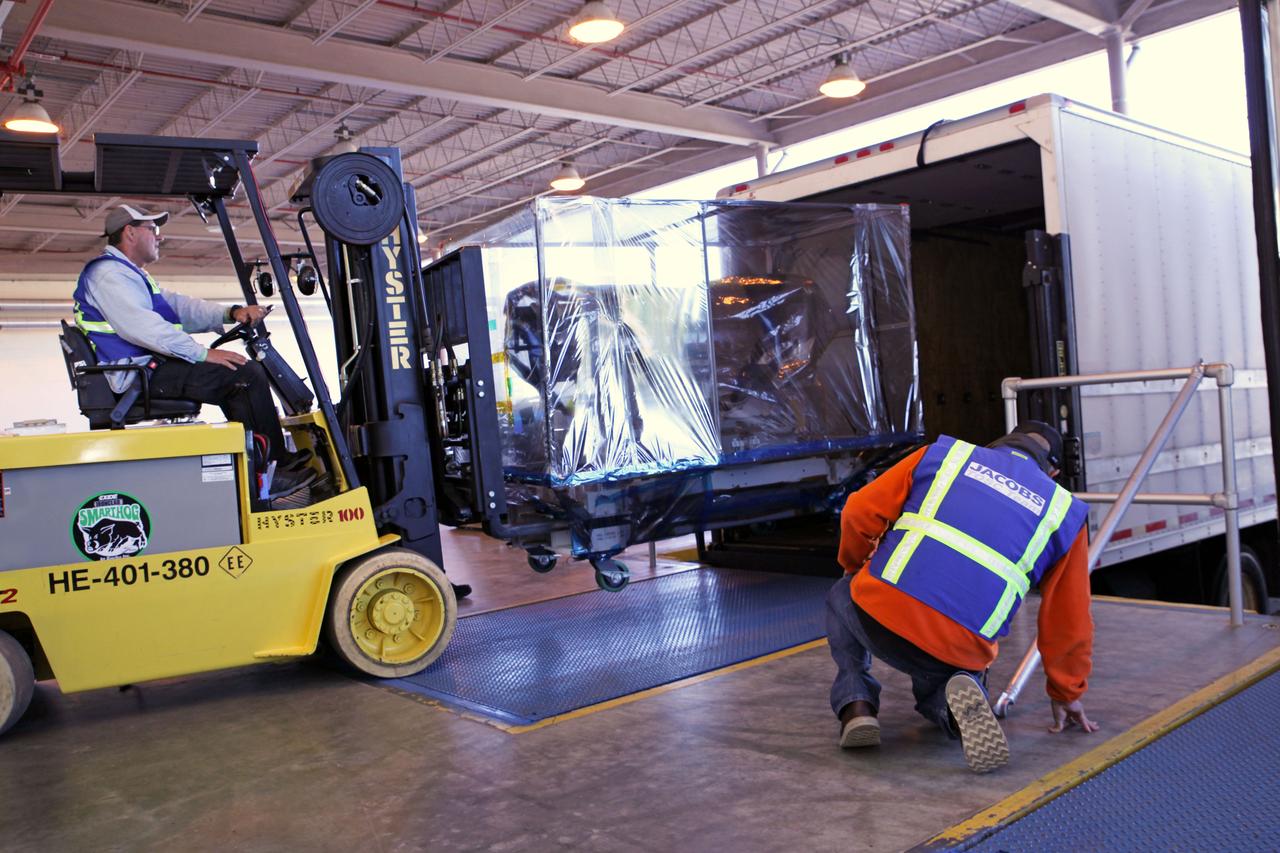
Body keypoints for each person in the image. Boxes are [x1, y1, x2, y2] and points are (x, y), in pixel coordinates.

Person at [825, 421, 1098, 773]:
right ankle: (952, 706)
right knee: (946, 671)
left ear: (995, 444)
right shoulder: (1066, 512)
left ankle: (856, 706)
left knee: (840, 594)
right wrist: (1066, 692)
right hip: (958, 649)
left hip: (876, 614)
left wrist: (853, 567)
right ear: (1054, 471)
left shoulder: (944, 455)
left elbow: (858, 512)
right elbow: (1068, 618)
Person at [72, 204, 314, 498]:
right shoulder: (108, 275)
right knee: (243, 376)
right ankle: (269, 474)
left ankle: (276, 462)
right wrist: (202, 354)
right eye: (153, 230)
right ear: (130, 232)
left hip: (149, 367)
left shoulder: (130, 275)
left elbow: (179, 308)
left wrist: (231, 313)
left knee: (241, 371)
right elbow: (143, 327)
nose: (159, 237)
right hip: (138, 376)